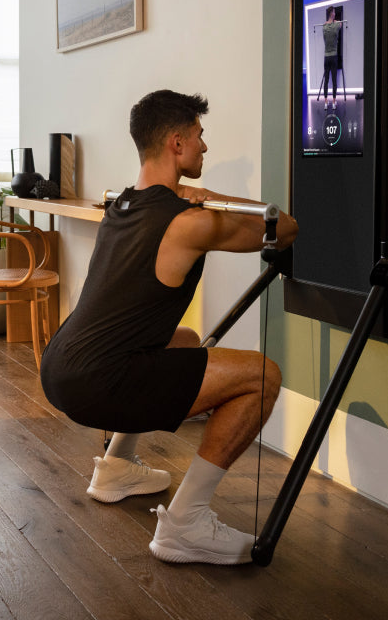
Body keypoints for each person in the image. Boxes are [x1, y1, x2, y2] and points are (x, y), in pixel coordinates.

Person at [40, 89, 298, 565]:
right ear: (176, 144)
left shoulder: (121, 205)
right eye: (200, 138)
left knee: (184, 341)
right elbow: (283, 227)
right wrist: (209, 199)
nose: (205, 148)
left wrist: (186, 196)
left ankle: (115, 468)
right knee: (262, 376)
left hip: (58, 368)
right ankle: (186, 525)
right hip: (96, 382)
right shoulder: (187, 221)